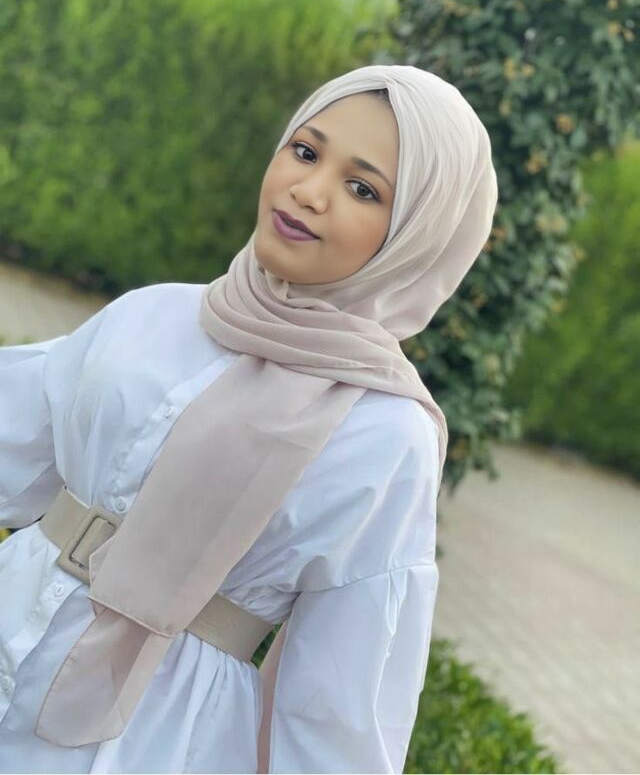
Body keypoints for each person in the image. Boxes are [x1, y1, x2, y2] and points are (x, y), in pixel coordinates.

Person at [0, 64, 498, 773]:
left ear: (416, 235)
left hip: (155, 735)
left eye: (363, 189)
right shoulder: (159, 313)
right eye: (305, 150)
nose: (310, 191)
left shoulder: (387, 434)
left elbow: (341, 701)